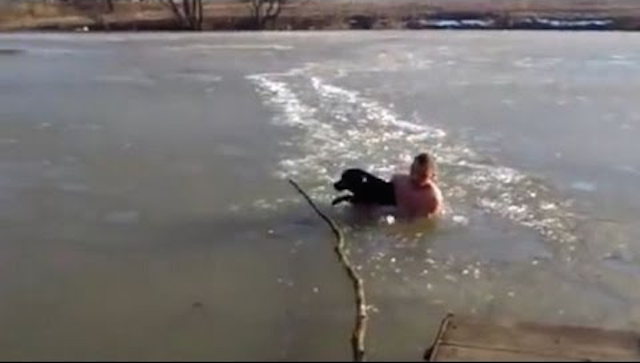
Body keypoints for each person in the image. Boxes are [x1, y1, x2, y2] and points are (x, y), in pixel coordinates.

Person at [391, 152, 443, 219]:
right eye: (413, 172)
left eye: (423, 176)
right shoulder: (398, 180)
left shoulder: (433, 198)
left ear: (432, 176)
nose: (415, 178)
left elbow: (422, 223)